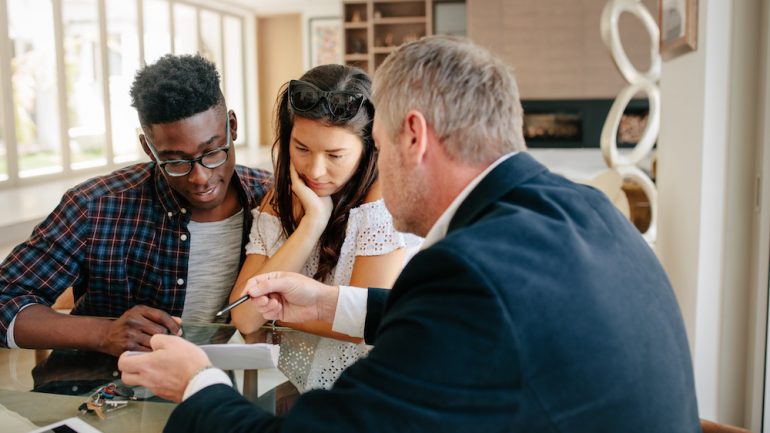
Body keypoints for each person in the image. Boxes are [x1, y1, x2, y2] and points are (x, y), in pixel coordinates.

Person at [119, 36, 701, 432]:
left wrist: (198, 384)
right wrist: (329, 302)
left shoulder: (471, 270)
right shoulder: (583, 207)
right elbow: (475, 319)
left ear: (412, 137)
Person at [0, 54, 270, 357]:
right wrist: (104, 334)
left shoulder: (273, 200)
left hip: (229, 390)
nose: (200, 178)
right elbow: (5, 299)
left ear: (232, 127)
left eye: (212, 152)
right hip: (106, 391)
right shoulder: (96, 206)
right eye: (175, 161)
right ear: (149, 150)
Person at [228, 64, 420, 392]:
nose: (316, 170)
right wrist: (312, 223)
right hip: (288, 386)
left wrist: (275, 312)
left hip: (360, 391)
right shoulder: (285, 196)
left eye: (335, 155)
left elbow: (361, 321)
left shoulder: (382, 201)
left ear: (369, 148)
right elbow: (244, 318)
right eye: (301, 148)